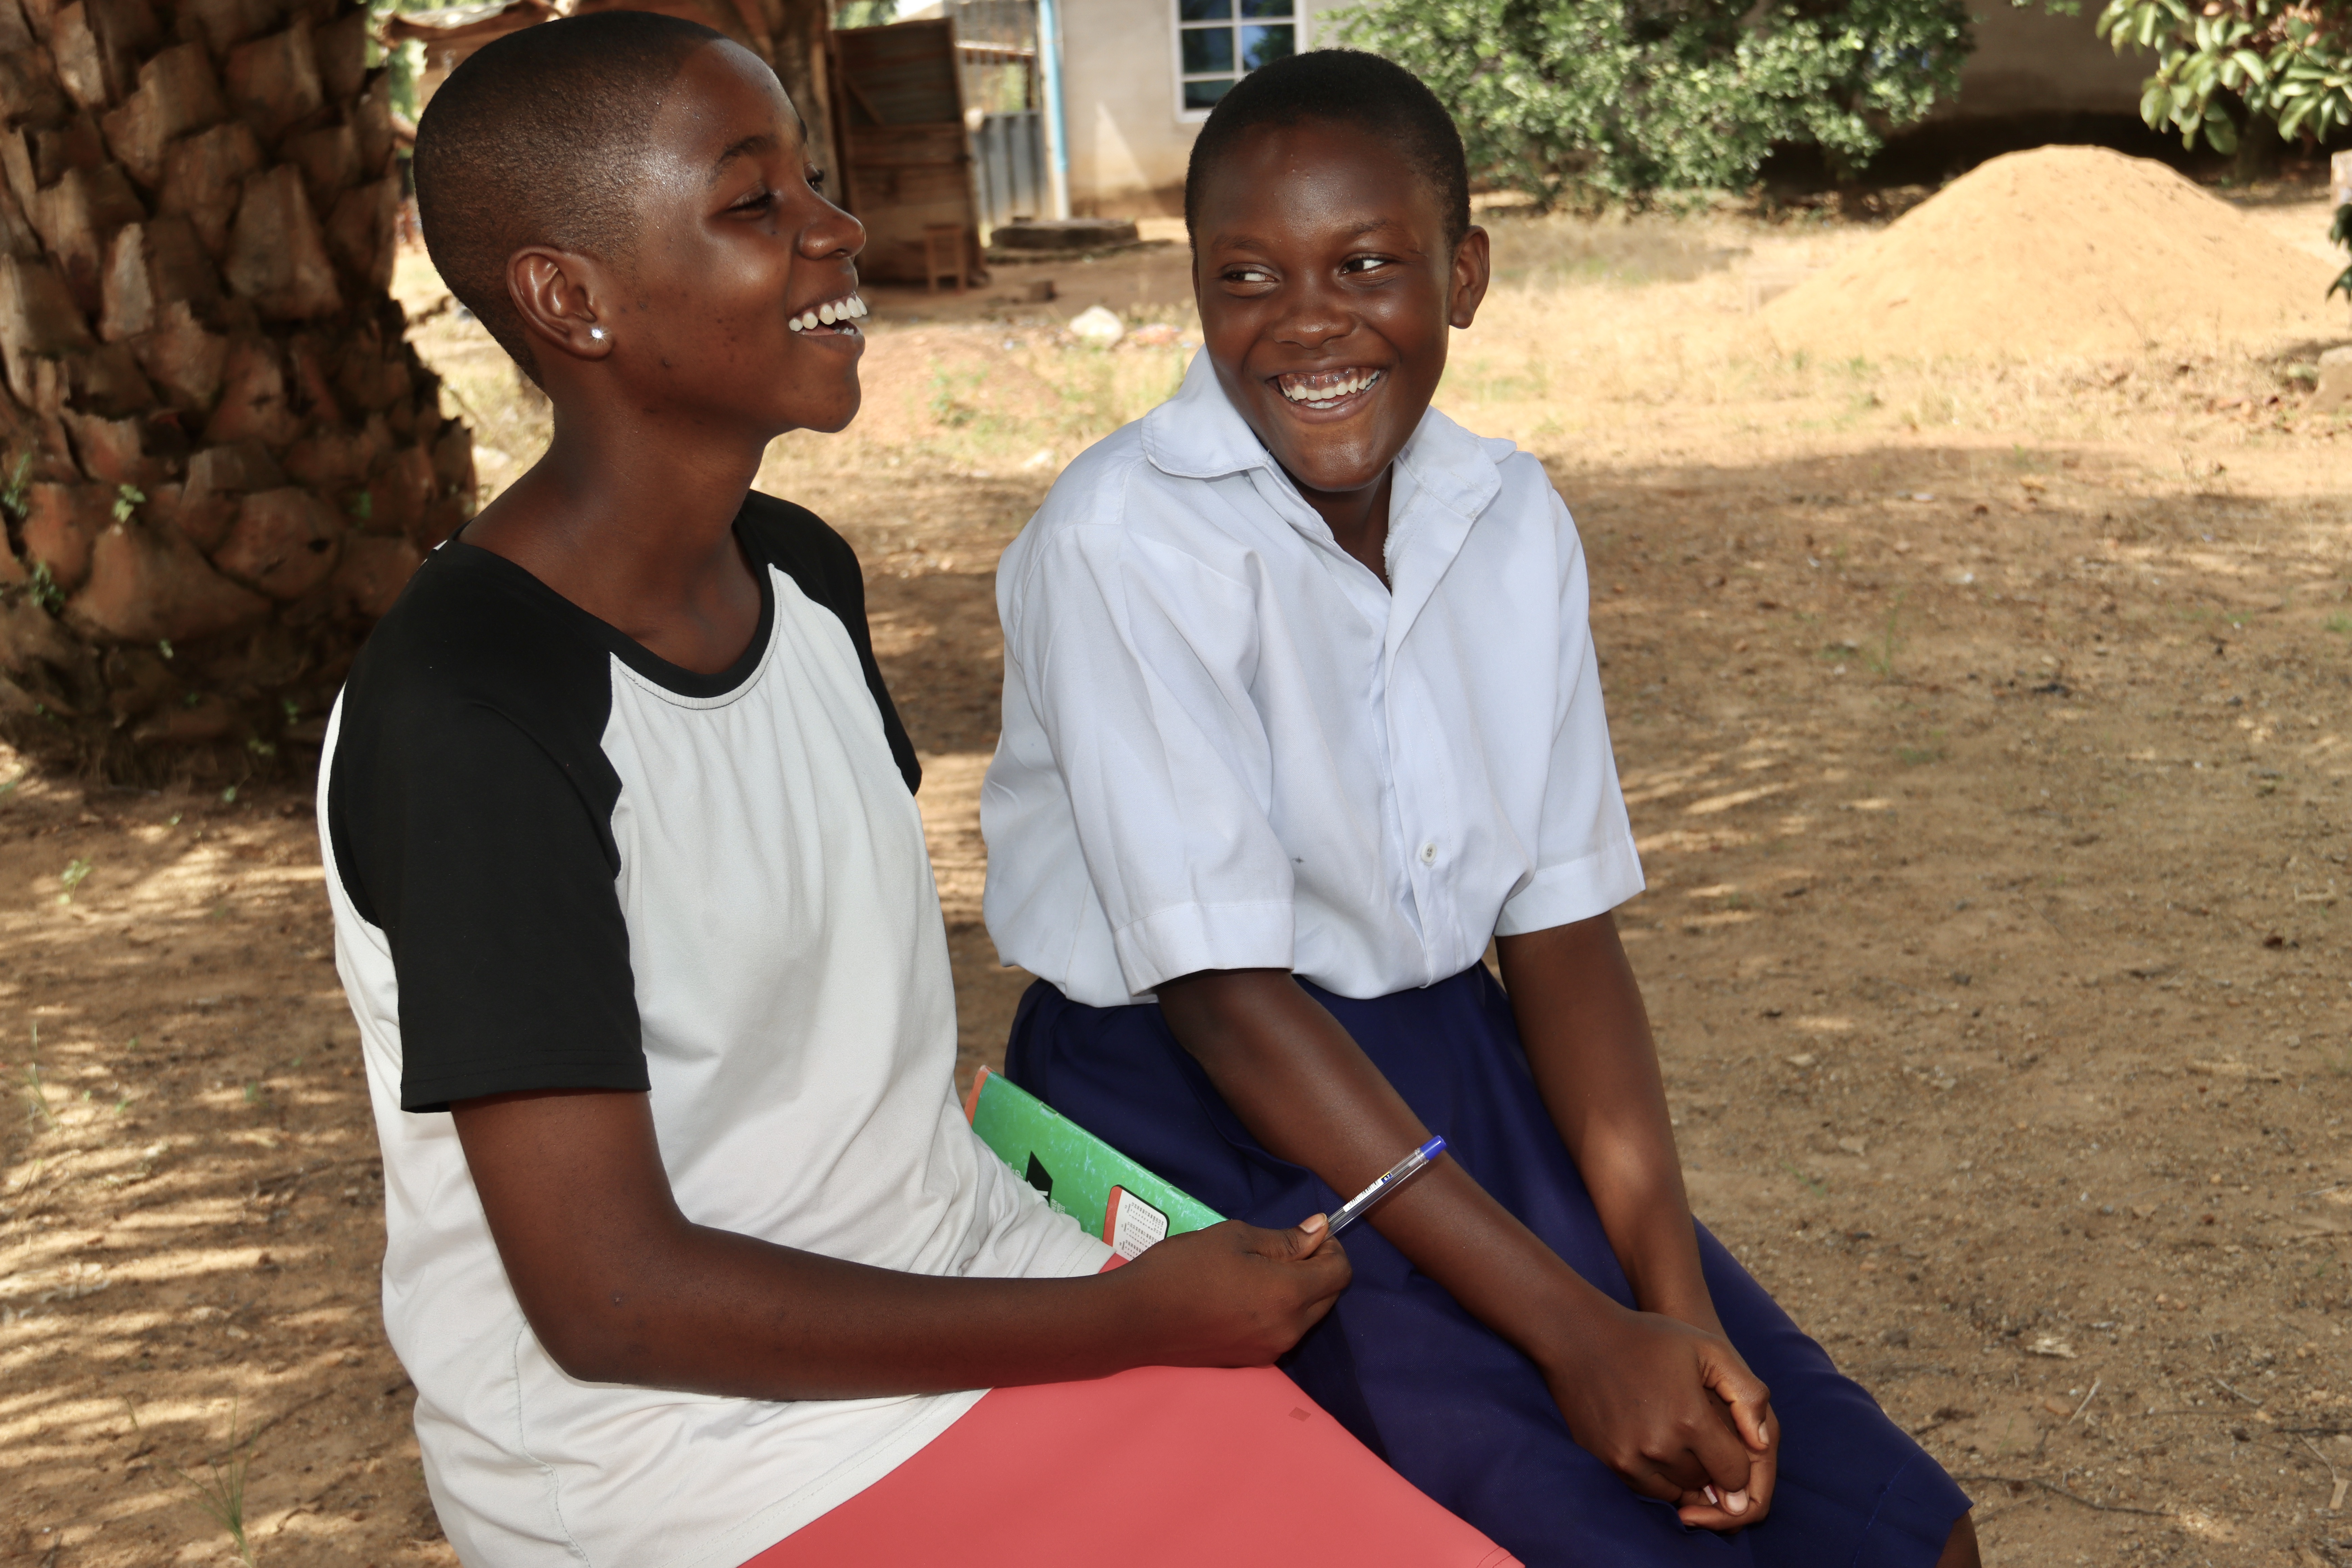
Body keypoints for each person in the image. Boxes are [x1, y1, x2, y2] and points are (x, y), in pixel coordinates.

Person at [320, 16, 1519, 1568]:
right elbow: (607, 1298)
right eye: (757, 205)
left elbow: (813, 1040)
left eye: (812, 180)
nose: (840, 229)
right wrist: (1122, 1315)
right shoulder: (473, 710)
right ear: (573, 301)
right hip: (685, 1461)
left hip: (969, 1290)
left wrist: (1082, 1282)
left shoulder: (802, 579)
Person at [982, 49, 1980, 1568]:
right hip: (1205, 1110)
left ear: (1467, 273)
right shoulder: (1125, 542)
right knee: (1594, 1534)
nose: (1306, 320)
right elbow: (1228, 1001)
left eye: (1367, 264)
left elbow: (1566, 936)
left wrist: (1672, 1306)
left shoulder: (1510, 518)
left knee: (1898, 1532)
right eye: (1245, 274)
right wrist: (1578, 1332)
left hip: (1462, 1074)